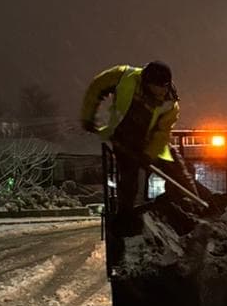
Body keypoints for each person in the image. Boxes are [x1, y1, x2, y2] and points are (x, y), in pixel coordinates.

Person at [80, 61, 196, 217]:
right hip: (123, 138)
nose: (162, 90)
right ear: (146, 83)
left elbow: (162, 133)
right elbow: (97, 86)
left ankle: (189, 206)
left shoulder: (170, 104)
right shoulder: (124, 76)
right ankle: (125, 218)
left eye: (164, 86)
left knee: (177, 168)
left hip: (151, 140)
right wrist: (88, 116)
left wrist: (149, 154)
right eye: (158, 86)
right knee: (128, 180)